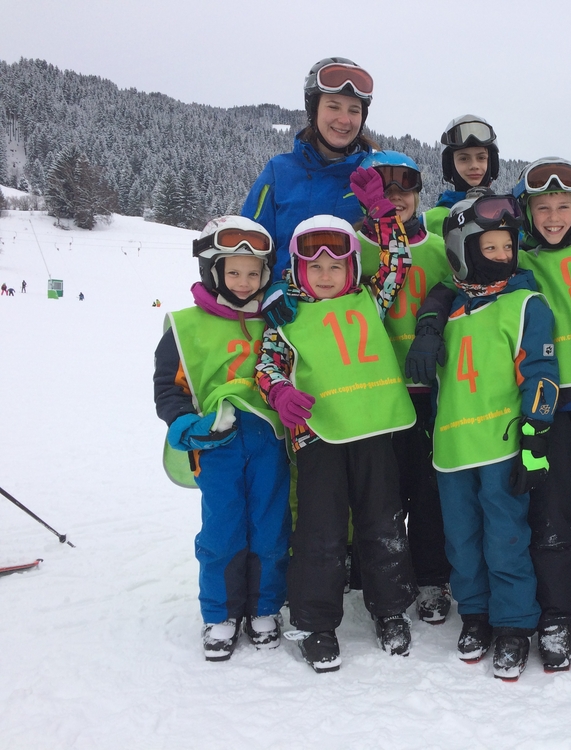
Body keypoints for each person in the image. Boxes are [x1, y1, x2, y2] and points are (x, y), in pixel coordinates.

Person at [255, 208, 419, 673]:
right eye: (314, 267)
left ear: (352, 268)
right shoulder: (286, 316)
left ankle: (390, 610)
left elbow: (398, 263)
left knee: (383, 522)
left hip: (372, 429)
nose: (325, 275)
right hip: (318, 435)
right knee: (320, 531)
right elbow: (266, 366)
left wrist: (384, 218)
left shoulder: (370, 299)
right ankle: (315, 622)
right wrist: (280, 391)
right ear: (297, 269)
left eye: (335, 266)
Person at [433, 193, 559, 680]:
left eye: (508, 246)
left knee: (506, 538)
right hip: (452, 449)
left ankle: (514, 623)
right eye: (490, 247)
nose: (503, 255)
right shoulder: (449, 311)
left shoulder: (525, 304)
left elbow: (541, 374)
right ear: (463, 250)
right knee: (462, 540)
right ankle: (476, 614)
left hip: (502, 446)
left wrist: (535, 436)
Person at [153, 216, 290, 661]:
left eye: (253, 273)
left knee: (270, 524)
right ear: (214, 271)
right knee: (222, 528)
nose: (244, 282)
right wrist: (185, 423)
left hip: (269, 440)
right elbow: (169, 388)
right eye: (233, 272)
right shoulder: (186, 326)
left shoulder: (276, 319)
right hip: (218, 444)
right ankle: (221, 613)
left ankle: (265, 607)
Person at [355, 150, 455, 624]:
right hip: (378, 393)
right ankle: (386, 581)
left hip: (432, 391)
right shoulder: (353, 246)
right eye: (386, 190)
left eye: (406, 189)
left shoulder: (437, 249)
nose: (397, 198)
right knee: (383, 498)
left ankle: (432, 578)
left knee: (430, 493)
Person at [242, 58, 375, 275]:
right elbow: (248, 247)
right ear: (314, 111)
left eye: (354, 110)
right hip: (284, 296)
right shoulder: (279, 172)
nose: (344, 120)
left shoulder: (372, 177)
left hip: (354, 297)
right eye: (333, 107)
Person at [423, 115, 500, 237]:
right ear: (449, 165)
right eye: (463, 158)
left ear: (492, 162)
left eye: (481, 157)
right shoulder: (428, 222)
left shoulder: (505, 214)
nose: (474, 165)